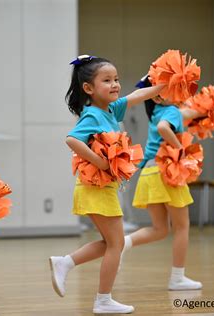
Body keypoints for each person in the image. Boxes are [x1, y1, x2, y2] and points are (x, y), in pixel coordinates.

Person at [49, 55, 165, 314]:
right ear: (88, 88)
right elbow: (72, 140)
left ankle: (65, 263)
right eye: (107, 80)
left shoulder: (110, 110)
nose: (114, 85)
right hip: (95, 187)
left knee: (110, 242)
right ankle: (102, 300)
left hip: (100, 188)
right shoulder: (92, 115)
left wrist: (160, 87)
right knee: (116, 244)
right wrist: (100, 163)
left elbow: (137, 96)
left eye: (116, 79)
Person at [122, 75, 204, 291]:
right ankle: (177, 278)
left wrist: (207, 107)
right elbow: (164, 128)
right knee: (182, 226)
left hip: (149, 171)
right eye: (171, 89)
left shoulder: (160, 110)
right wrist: (181, 150)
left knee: (159, 229)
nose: (177, 92)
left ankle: (123, 243)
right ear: (156, 97)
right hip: (166, 170)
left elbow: (186, 114)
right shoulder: (169, 113)